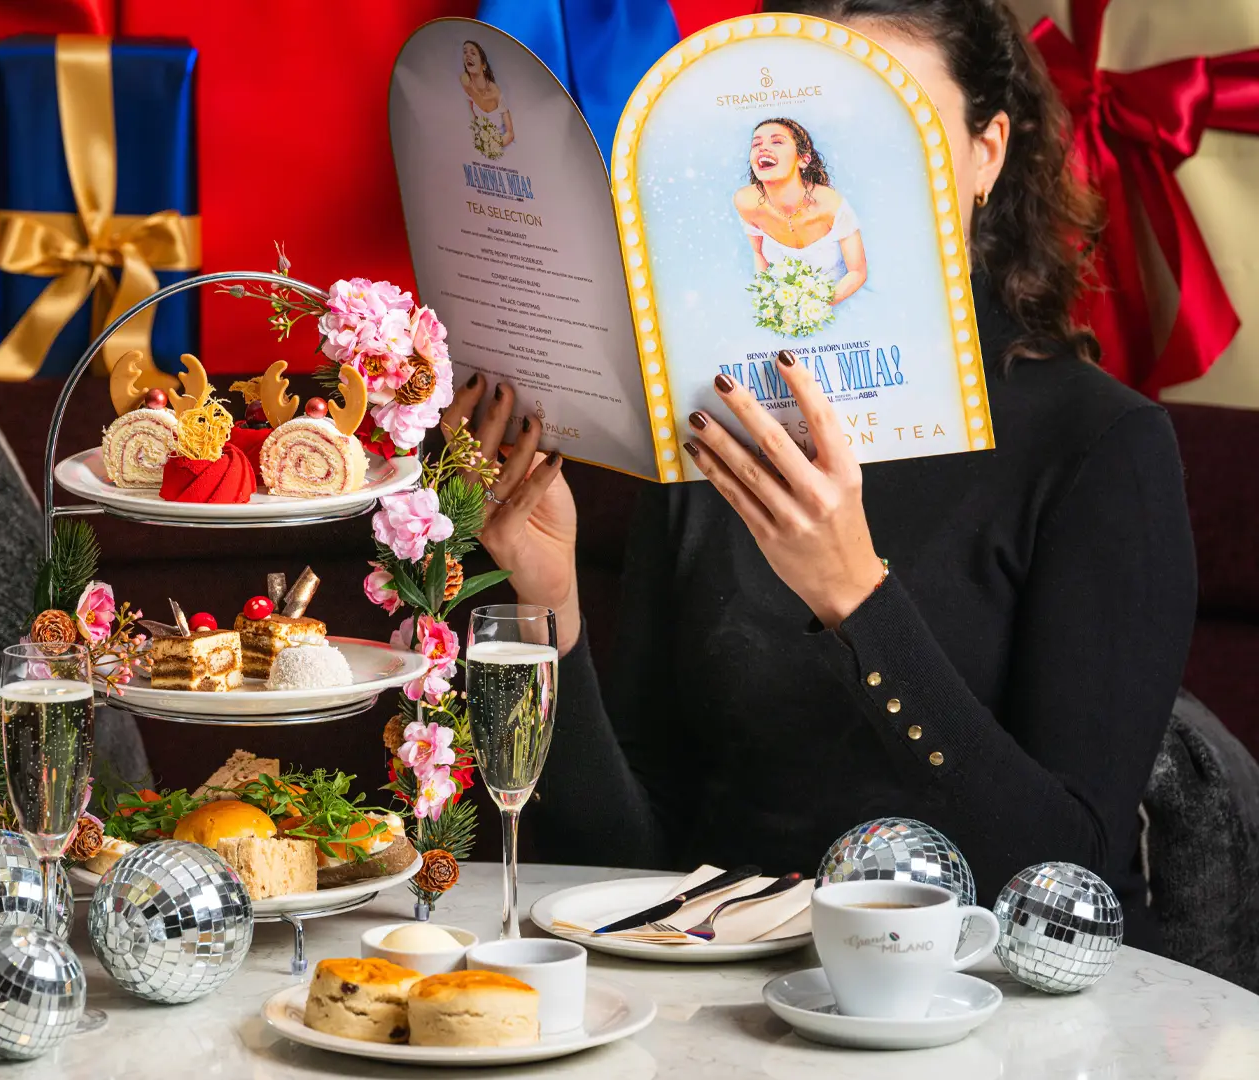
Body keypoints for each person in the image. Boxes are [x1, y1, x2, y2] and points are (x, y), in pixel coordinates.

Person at [446, 0, 1192, 949]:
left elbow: (1069, 877)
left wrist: (855, 599)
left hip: (991, 999)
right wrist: (550, 605)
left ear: (986, 153)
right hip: (723, 995)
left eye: (895, 124)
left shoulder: (1103, 445)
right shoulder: (715, 420)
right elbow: (622, 864)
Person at [734, 118, 868, 305]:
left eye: (777, 141)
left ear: (803, 160)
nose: (762, 148)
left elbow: (857, 272)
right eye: (756, 144)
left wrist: (813, 309)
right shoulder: (746, 202)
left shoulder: (830, 204)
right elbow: (759, 255)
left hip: (840, 301)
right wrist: (769, 301)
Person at [460, 40, 515, 152]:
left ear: (483, 65)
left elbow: (510, 134)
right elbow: (472, 119)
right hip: (481, 150)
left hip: (503, 148)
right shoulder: (465, 84)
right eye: (465, 52)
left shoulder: (496, 92)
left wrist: (491, 146)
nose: (468, 55)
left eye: (473, 53)